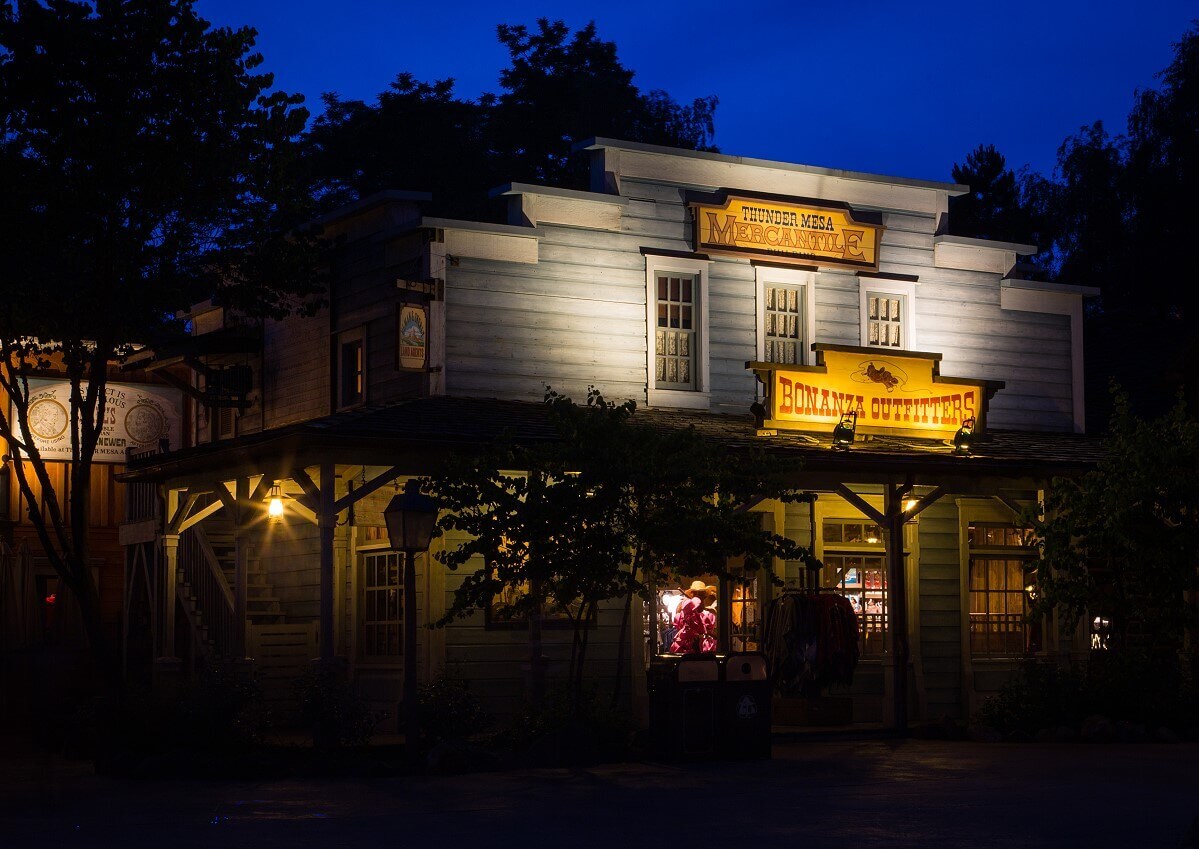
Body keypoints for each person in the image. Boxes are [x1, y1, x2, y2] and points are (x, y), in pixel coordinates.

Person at [670, 580, 718, 653]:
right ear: (692, 594)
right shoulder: (684, 608)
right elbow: (680, 627)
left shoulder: (709, 613)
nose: (700, 597)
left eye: (702, 594)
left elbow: (712, 632)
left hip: (704, 648)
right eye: (696, 594)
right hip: (687, 647)